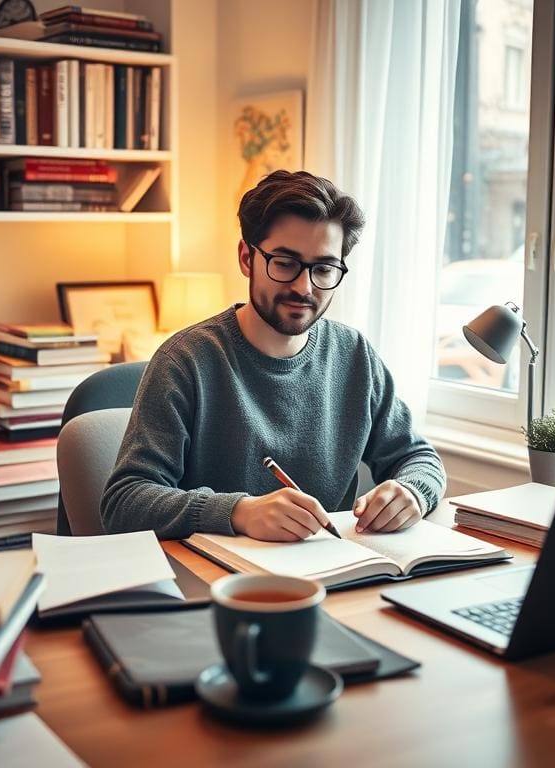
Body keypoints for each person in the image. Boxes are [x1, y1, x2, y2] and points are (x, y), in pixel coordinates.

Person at [101, 170, 446, 541]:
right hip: (218, 583)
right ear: (247, 258)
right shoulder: (186, 361)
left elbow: (419, 458)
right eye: (285, 263)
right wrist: (237, 512)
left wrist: (411, 491)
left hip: (333, 574)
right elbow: (124, 502)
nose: (304, 286)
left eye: (324, 269)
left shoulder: (354, 356)